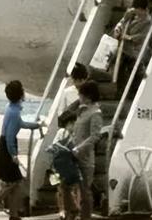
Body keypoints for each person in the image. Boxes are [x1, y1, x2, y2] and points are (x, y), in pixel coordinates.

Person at [0, 80, 42, 220]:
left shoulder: (11, 108)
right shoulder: (14, 112)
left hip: (4, 147)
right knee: (11, 183)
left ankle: (13, 215)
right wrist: (13, 154)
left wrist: (36, 125)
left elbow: (20, 124)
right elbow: (10, 136)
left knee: (15, 184)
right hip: (7, 149)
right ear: (21, 94)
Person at [71, 81, 103, 220]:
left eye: (81, 95)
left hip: (85, 157)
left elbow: (95, 136)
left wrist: (79, 148)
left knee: (85, 191)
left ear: (88, 97)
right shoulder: (82, 111)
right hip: (75, 155)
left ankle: (86, 217)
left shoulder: (95, 113)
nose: (79, 98)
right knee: (72, 188)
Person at [113, 0, 152, 94]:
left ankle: (137, 91)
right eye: (135, 8)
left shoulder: (147, 21)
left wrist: (128, 37)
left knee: (136, 71)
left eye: (138, 9)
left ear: (143, 9)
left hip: (137, 49)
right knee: (120, 68)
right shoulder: (131, 13)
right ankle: (120, 91)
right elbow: (122, 22)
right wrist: (118, 29)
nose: (136, 11)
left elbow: (142, 36)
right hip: (124, 48)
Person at [48, 111, 81, 220]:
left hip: (65, 164)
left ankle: (70, 209)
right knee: (61, 188)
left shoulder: (73, 135)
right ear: (69, 123)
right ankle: (64, 209)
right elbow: (54, 146)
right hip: (59, 164)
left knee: (66, 188)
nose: (74, 126)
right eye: (73, 123)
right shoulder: (62, 132)